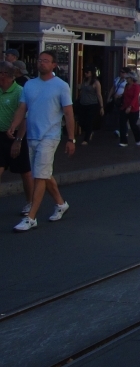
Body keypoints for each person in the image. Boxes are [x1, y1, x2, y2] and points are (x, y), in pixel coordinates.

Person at [8, 50, 74, 231]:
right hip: (32, 135)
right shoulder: (30, 85)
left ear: (53, 65)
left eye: (46, 60)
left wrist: (71, 139)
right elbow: (23, 108)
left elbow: (68, 113)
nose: (41, 63)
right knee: (43, 173)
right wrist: (14, 125)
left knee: (38, 176)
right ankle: (60, 203)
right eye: (40, 60)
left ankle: (31, 217)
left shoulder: (61, 86)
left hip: (50, 136)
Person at [0, 61, 34, 216]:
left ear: (4, 75)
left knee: (25, 172)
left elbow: (25, 118)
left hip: (17, 136)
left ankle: (31, 202)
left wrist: (18, 140)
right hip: (1, 136)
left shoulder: (20, 91)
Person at [75, 67, 103, 145]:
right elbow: (81, 88)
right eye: (85, 72)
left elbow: (99, 95)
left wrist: (101, 107)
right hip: (83, 103)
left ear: (91, 73)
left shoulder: (96, 82)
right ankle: (89, 132)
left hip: (92, 104)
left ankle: (86, 139)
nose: (85, 73)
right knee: (81, 120)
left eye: (87, 72)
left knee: (89, 121)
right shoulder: (84, 81)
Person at [118, 71, 140, 146]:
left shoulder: (136, 87)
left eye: (128, 78)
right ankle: (123, 141)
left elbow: (135, 98)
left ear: (132, 78)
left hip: (133, 108)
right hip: (124, 107)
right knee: (122, 123)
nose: (126, 79)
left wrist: (130, 106)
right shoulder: (126, 86)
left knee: (133, 124)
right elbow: (125, 95)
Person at [107, 67, 129, 136]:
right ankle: (118, 129)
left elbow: (127, 91)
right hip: (116, 99)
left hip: (122, 99)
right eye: (120, 72)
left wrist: (120, 95)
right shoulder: (117, 79)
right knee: (116, 114)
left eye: (123, 72)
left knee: (122, 115)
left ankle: (123, 130)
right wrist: (109, 97)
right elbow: (113, 88)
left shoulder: (127, 81)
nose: (121, 73)